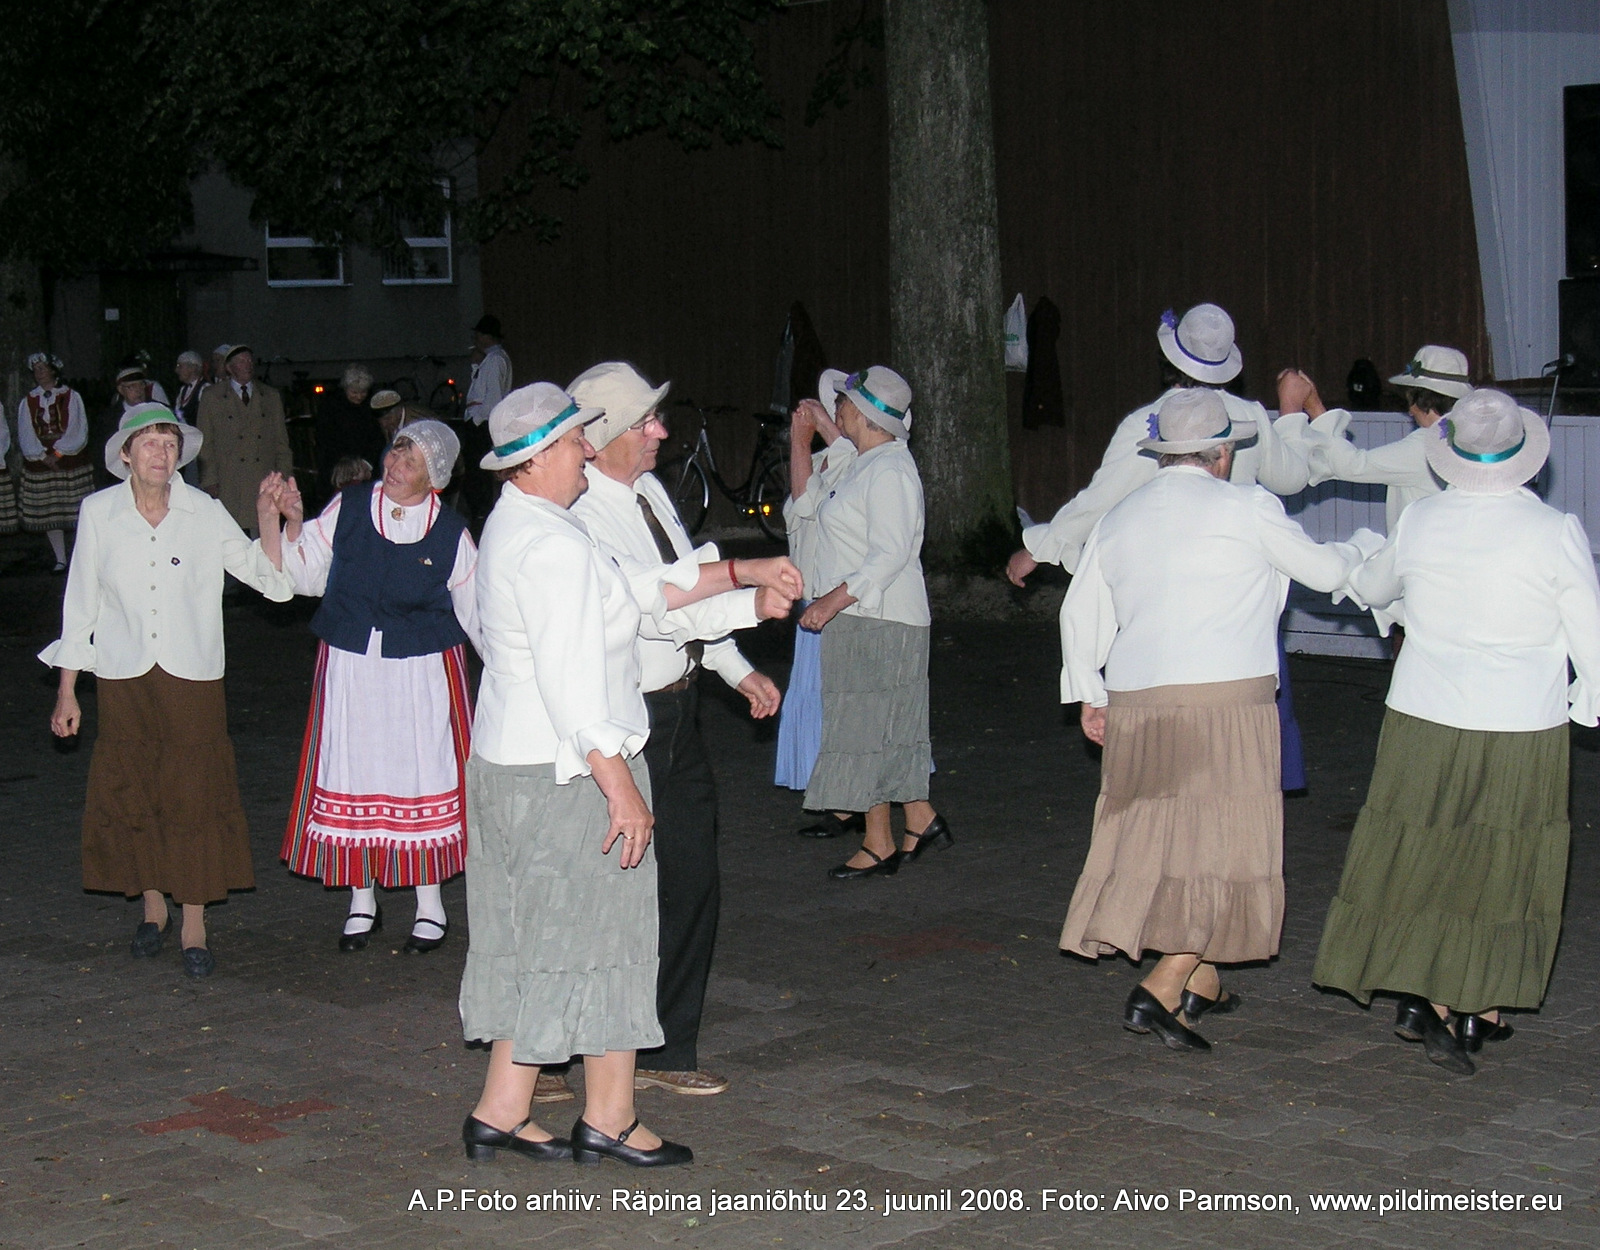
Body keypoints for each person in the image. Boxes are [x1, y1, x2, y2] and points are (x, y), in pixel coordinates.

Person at [1057, 389, 1377, 1051]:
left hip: (1139, 699)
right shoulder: (1248, 507)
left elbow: (1080, 611)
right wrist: (1365, 551)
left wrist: (1090, 692)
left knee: (1162, 841)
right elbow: (1324, 573)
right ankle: (1162, 986)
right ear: (1223, 453)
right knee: (1222, 846)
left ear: (1163, 453)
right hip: (1225, 703)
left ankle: (1201, 979)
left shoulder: (1121, 516)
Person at [1312, 389, 1600, 1075]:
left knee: (1424, 848)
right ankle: (1463, 1001)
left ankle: (1447, 998)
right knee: (1502, 862)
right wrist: (1588, 698)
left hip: (1424, 714)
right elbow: (1588, 629)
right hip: (1519, 722)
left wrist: (1362, 566)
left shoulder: (1423, 518)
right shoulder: (1553, 530)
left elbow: (1374, 589)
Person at [459, 381, 691, 1168]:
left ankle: (501, 1109)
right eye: (573, 442)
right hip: (566, 771)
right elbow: (570, 680)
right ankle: (611, 1117)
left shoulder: (517, 523)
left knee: (534, 935)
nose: (589, 450)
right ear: (533, 459)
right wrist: (619, 784)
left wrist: (729, 581)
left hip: (511, 760)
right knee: (605, 932)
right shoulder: (551, 544)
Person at [569, 361, 799, 1099]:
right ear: (602, 434)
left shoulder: (648, 493)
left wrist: (735, 667)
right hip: (622, 725)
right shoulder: (580, 512)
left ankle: (668, 1048)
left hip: (677, 711)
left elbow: (683, 589)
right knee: (606, 896)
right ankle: (554, 1055)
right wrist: (747, 590)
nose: (661, 432)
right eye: (645, 421)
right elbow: (654, 604)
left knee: (692, 877)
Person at [1006, 303, 1343, 792]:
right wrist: (1293, 413)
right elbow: (1291, 478)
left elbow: (1101, 500)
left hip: (1168, 605)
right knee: (1242, 747)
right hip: (1238, 610)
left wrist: (1040, 547)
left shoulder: (1150, 423)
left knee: (1169, 749)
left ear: (1171, 358)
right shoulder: (1248, 416)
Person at [39, 403, 294, 978]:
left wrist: (267, 519)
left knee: (193, 792)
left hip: (191, 676)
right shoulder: (98, 512)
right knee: (136, 786)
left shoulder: (203, 510)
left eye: (170, 442)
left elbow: (269, 581)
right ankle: (153, 907)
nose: (161, 452)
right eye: (149, 442)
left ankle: (194, 920)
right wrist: (67, 690)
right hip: (123, 675)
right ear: (125, 454)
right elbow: (81, 604)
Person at [274, 419, 480, 953]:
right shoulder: (348, 507)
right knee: (356, 768)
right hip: (353, 667)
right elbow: (304, 579)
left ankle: (430, 904)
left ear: (434, 478)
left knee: (421, 772)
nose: (394, 466)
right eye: (394, 453)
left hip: (420, 672)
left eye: (410, 461)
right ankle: (361, 898)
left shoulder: (451, 532)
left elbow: (478, 614)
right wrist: (293, 524)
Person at [791, 366, 948, 879]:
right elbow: (811, 507)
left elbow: (890, 553)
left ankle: (879, 843)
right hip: (863, 618)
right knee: (874, 730)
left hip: (880, 619)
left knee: (866, 731)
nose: (836, 408)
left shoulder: (890, 470)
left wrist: (832, 601)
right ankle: (914, 824)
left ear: (860, 413)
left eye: (843, 402)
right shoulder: (865, 463)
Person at [778, 370, 864, 838]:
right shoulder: (827, 459)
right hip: (814, 597)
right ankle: (841, 798)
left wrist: (827, 430)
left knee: (848, 705)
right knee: (820, 704)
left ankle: (859, 802)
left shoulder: (868, 460)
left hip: (846, 600)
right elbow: (800, 506)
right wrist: (799, 440)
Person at [1287, 345, 1472, 531]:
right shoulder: (1467, 438)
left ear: (1421, 399)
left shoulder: (1426, 444)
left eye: (1410, 399)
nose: (1410, 411)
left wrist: (1315, 408)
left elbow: (1353, 466)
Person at [196, 344, 295, 534]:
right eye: (241, 361)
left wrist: (284, 475)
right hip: (229, 480)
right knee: (231, 533)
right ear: (229, 367)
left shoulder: (270, 396)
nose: (248, 365)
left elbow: (281, 442)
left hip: (263, 478)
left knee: (265, 532)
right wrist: (209, 480)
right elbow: (205, 443)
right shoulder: (212, 397)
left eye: (250, 360)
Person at [17, 351, 93, 572]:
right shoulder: (29, 400)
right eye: (36, 370)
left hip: (70, 459)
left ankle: (83, 558)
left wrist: (58, 453)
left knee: (77, 511)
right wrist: (42, 456)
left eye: (42, 369)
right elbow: (25, 431)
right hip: (40, 459)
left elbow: (78, 427)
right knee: (51, 512)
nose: (39, 373)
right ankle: (60, 558)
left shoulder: (71, 396)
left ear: (53, 370)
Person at [462, 315, 513, 522]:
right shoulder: (494, 359)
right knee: (477, 469)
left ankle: (480, 511)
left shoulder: (494, 360)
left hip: (481, 423)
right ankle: (480, 509)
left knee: (477, 470)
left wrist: (477, 419)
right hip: (481, 420)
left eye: (478, 335)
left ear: (486, 337)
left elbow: (492, 397)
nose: (475, 339)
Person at [95, 361, 172, 487]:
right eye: (132, 387)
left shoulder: (160, 411)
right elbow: (102, 456)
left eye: (141, 385)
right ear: (121, 390)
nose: (138, 390)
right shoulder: (108, 419)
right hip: (120, 482)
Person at [315, 363, 385, 494]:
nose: (359, 396)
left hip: (367, 469)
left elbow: (377, 439)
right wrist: (347, 467)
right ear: (345, 389)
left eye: (363, 392)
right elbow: (326, 441)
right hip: (337, 468)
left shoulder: (371, 408)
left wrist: (366, 463)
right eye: (354, 392)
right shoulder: (330, 408)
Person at [172, 350, 207, 426]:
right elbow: (178, 411)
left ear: (192, 368)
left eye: (180, 366)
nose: (176, 370)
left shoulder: (205, 389)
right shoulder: (182, 390)